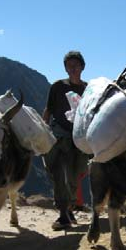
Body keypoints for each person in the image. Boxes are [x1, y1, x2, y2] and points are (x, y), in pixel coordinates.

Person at [42, 51, 89, 230]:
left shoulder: (87, 89)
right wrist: (43, 130)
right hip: (59, 136)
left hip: (79, 137)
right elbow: (49, 109)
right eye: (69, 65)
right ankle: (63, 215)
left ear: (82, 66)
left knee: (76, 174)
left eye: (75, 64)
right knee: (60, 173)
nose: (72, 68)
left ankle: (68, 209)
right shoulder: (58, 86)